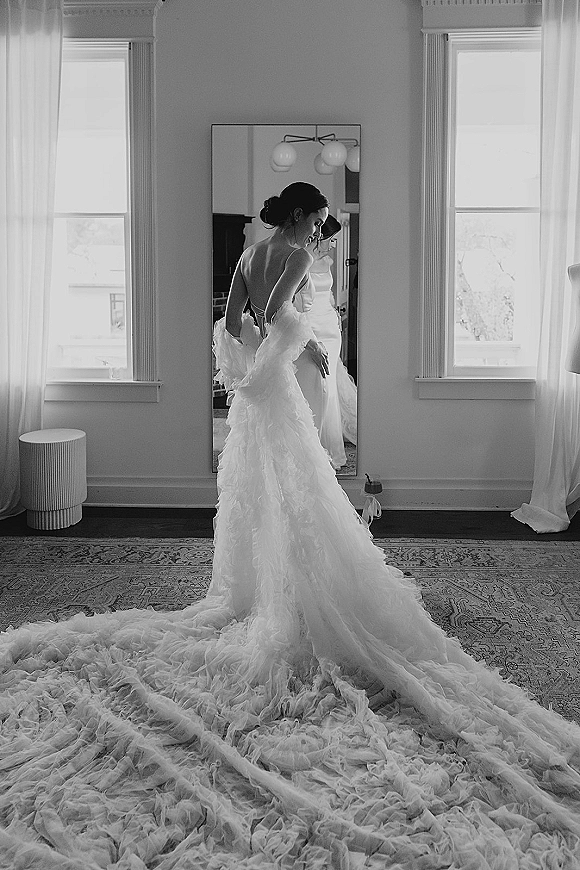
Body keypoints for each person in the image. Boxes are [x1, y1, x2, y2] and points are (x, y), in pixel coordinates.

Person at [2, 183, 580, 867]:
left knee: (272, 492)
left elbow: (237, 318)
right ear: (304, 216)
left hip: (256, 393)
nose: (318, 229)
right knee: (302, 489)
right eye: (317, 219)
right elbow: (274, 315)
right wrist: (303, 352)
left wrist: (263, 360)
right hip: (275, 388)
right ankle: (309, 591)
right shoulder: (297, 257)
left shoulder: (254, 248)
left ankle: (263, 585)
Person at [302, 214, 357, 468]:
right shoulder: (300, 260)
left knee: (331, 388)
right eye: (332, 239)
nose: (334, 244)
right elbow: (296, 303)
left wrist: (335, 313)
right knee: (317, 387)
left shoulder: (327, 260)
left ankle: (331, 450)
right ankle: (313, 452)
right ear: (320, 236)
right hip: (311, 327)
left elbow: (329, 293)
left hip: (331, 327)